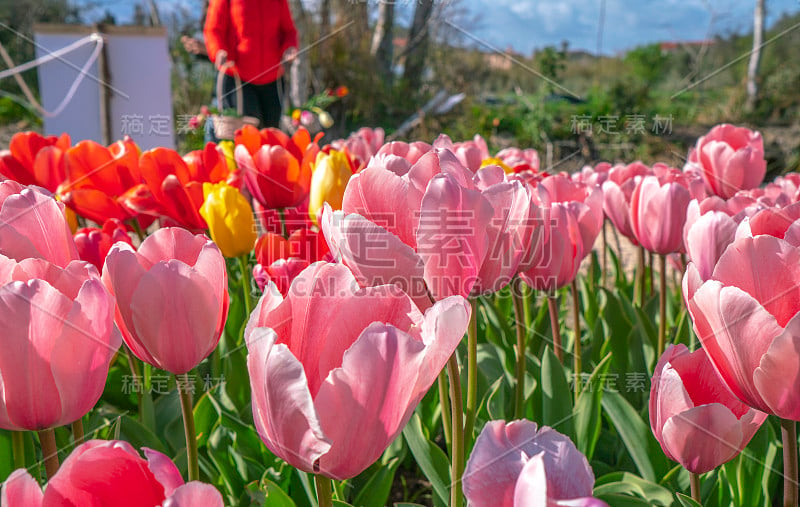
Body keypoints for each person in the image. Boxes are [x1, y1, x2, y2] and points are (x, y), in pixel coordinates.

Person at [204, 0, 298, 129]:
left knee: (272, 133)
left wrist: (289, 47)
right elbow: (213, 30)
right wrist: (218, 50)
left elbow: (289, 31)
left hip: (273, 79)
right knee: (247, 134)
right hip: (237, 78)